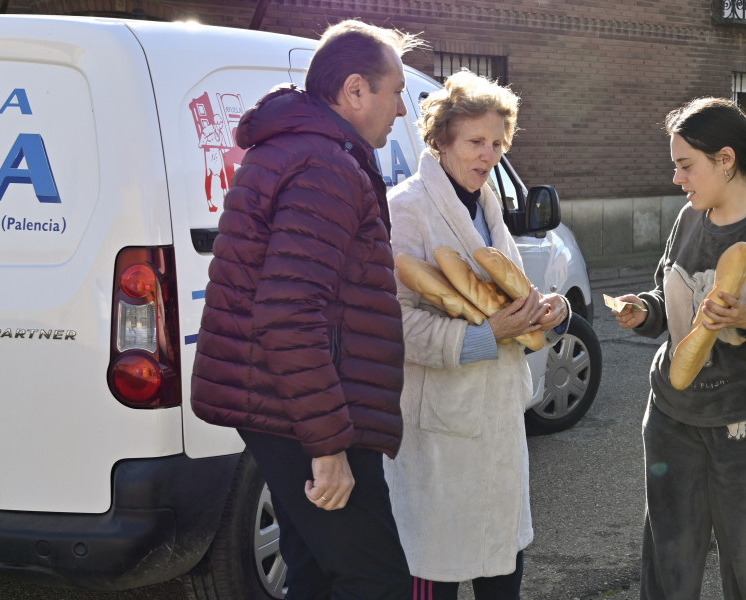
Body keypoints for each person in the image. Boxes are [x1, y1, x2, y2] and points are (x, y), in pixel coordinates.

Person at [191, 19, 424, 599]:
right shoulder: (323, 166)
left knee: (316, 570)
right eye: (395, 92)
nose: (401, 110)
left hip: (285, 402)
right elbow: (288, 312)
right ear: (354, 90)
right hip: (304, 411)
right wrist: (326, 447)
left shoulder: (299, 152)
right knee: (377, 579)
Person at [611, 97, 746, 600]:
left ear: (725, 160)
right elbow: (671, 292)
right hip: (672, 418)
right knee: (668, 568)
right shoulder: (688, 218)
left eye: (686, 166)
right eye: (676, 167)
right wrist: (645, 309)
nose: (678, 179)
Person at [383, 69, 571, 600]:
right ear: (441, 139)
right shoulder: (407, 208)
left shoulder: (489, 207)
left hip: (498, 426)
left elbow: (509, 293)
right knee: (434, 574)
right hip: (439, 428)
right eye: (474, 142)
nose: (487, 155)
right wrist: (485, 336)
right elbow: (392, 322)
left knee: (502, 572)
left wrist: (547, 308)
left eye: (496, 143)